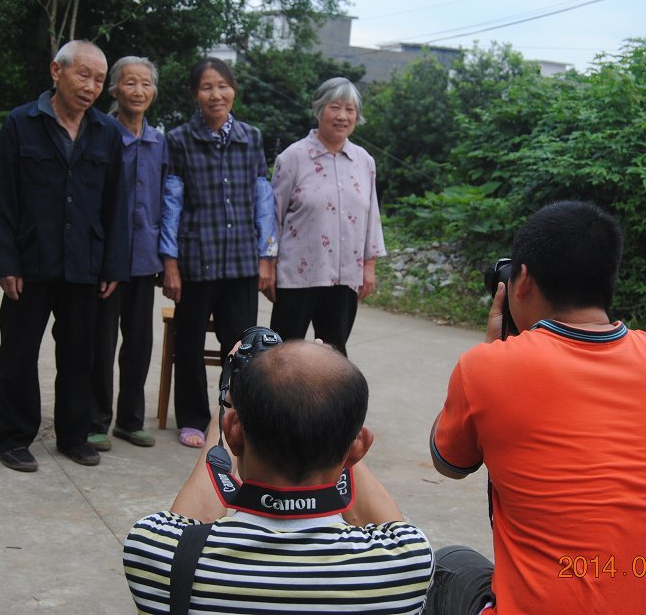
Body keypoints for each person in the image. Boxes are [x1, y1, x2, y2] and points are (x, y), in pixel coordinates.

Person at [426, 200, 646, 614]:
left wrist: (492, 353)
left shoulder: (487, 368)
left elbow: (450, 462)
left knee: (450, 564)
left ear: (522, 282)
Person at [123, 337, 434, 614]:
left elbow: (191, 528)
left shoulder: (154, 549)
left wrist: (227, 405)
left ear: (234, 433)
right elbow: (389, 524)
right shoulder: (404, 565)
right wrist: (327, 397)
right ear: (357, 449)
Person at [0, 40, 129, 472]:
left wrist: (113, 266)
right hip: (31, 262)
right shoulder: (21, 123)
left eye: (99, 79)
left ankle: (73, 436)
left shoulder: (107, 132)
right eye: (83, 74)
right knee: (18, 353)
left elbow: (116, 204)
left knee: (79, 356)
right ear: (57, 71)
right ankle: (13, 437)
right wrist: (5, 263)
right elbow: (3, 199)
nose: (90, 86)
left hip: (85, 264)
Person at [160, 57, 277, 448]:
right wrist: (170, 262)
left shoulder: (250, 137)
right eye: (207, 87)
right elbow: (171, 202)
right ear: (196, 94)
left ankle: (239, 416)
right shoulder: (179, 139)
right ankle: (193, 418)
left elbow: (263, 199)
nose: (216, 94)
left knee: (243, 346)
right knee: (189, 343)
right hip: (196, 259)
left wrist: (266, 256)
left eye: (223, 86)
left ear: (234, 90)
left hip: (242, 260)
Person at [266, 77, 385, 356]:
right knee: (283, 356)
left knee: (334, 356)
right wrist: (267, 265)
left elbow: (372, 218)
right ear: (319, 110)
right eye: (335, 107)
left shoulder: (364, 161)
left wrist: (369, 266)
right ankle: (280, 402)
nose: (343, 116)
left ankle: (328, 403)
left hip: (345, 276)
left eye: (350, 109)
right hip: (297, 276)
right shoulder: (292, 158)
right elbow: (273, 217)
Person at [87, 56, 168, 452]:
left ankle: (130, 420)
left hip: (145, 260)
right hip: (107, 262)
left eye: (146, 84)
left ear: (153, 92)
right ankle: (96, 420)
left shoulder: (159, 143)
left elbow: (167, 201)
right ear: (114, 89)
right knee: (100, 342)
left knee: (139, 343)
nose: (138, 91)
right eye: (130, 83)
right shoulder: (99, 134)